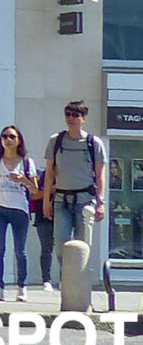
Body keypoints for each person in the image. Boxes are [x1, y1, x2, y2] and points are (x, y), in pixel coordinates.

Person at [42, 101, 110, 308]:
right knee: (62, 246)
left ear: (84, 118)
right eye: (68, 114)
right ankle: (69, 286)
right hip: (61, 199)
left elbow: (100, 175)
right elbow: (50, 173)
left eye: (75, 115)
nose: (71, 118)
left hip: (84, 200)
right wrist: (46, 201)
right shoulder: (56, 141)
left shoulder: (93, 142)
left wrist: (101, 203)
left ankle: (82, 294)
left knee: (83, 249)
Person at [0, 125, 38, 302]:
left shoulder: (26, 162)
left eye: (12, 137)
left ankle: (22, 287)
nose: (8, 140)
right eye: (4, 137)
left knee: (20, 250)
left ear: (18, 140)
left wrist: (23, 179)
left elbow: (35, 190)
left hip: (20, 210)